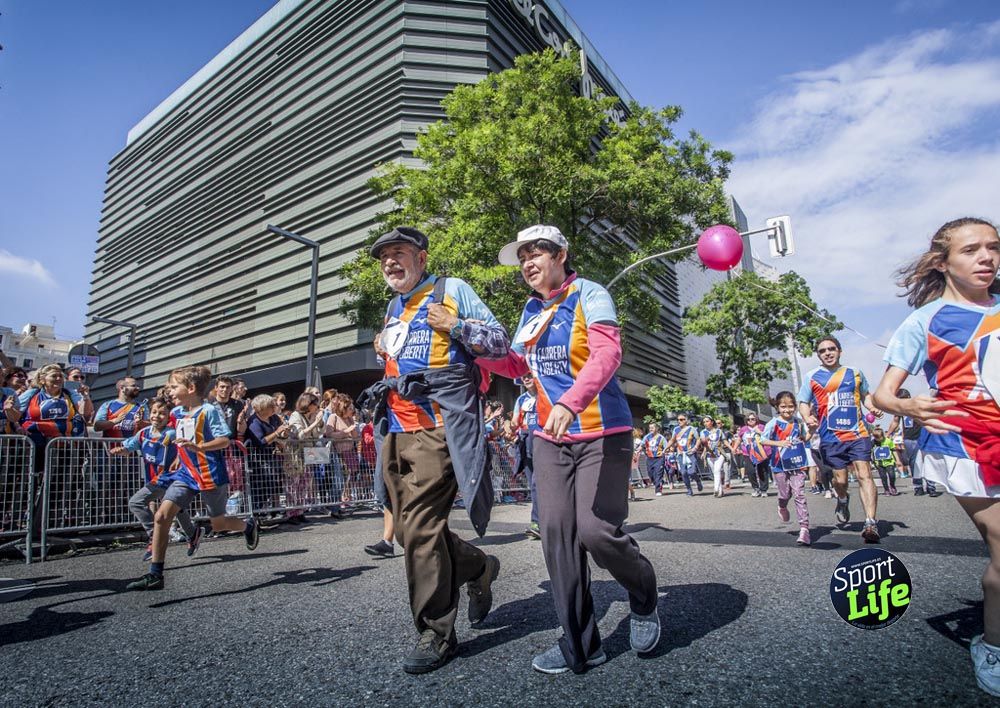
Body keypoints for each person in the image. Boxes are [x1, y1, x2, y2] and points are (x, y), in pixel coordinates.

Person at [479, 224, 659, 674]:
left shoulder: (590, 294)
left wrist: (569, 401)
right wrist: (471, 346)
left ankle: (643, 594)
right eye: (522, 257)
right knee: (556, 534)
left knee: (596, 531)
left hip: (603, 431)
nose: (527, 263)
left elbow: (606, 355)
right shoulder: (531, 310)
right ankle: (581, 646)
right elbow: (516, 363)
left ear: (560, 254)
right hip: (549, 436)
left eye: (535, 252)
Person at [361, 226, 505, 674]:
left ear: (422, 258)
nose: (389, 262)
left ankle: (436, 631)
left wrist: (458, 325)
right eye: (383, 257)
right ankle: (478, 567)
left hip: (439, 429)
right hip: (396, 431)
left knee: (420, 530)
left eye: (399, 253)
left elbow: (501, 344)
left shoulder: (452, 289)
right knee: (407, 533)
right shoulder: (393, 306)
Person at [872, 217, 1000, 697]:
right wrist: (907, 405)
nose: (986, 257)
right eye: (970, 250)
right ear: (943, 263)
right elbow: (883, 395)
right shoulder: (924, 321)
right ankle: (992, 644)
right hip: (965, 443)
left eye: (993, 247)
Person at [126, 365, 259, 591]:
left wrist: (198, 447)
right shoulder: (177, 413)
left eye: (174, 386)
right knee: (161, 515)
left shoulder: (209, 411)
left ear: (190, 388)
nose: (170, 390)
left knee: (218, 524)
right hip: (186, 474)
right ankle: (155, 574)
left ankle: (247, 527)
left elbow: (224, 440)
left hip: (210, 473)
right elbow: (177, 438)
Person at [798, 336, 883, 543]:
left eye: (831, 349)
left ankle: (871, 522)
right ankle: (843, 499)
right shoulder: (812, 376)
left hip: (858, 433)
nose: (827, 353)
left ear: (840, 351)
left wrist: (872, 407)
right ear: (818, 355)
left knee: (865, 475)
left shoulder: (854, 373)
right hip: (830, 437)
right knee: (841, 480)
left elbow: (866, 396)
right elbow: (803, 401)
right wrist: (807, 416)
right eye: (822, 350)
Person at [112, 397, 201, 560]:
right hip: (153, 478)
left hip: (167, 478)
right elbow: (129, 447)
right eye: (154, 412)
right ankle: (193, 533)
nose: (157, 416)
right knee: (178, 508)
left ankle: (155, 537)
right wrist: (121, 450)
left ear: (168, 418)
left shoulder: (171, 433)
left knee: (135, 502)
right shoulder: (143, 434)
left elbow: (187, 446)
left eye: (162, 414)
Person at [760, 391, 812, 545]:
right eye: (783, 407)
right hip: (779, 465)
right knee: (785, 494)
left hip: (797, 463)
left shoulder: (798, 422)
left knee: (799, 494)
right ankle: (782, 505)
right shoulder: (774, 423)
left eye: (790, 407)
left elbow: (804, 438)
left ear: (795, 407)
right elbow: (763, 440)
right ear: (777, 407)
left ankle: (804, 529)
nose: (787, 410)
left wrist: (813, 430)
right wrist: (779, 443)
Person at [244, 394, 291, 519]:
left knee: (273, 483)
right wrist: (276, 433)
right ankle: (256, 515)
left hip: (272, 456)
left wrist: (284, 433)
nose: (273, 408)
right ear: (262, 408)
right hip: (258, 459)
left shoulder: (274, 418)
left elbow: (280, 434)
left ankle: (268, 511)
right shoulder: (254, 421)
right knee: (261, 486)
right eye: (271, 406)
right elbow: (260, 442)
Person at [886, 389, 938, 496]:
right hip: (909, 439)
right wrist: (888, 435)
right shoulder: (900, 409)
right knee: (914, 463)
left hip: (923, 436)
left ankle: (931, 486)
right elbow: (895, 422)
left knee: (927, 461)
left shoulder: (917, 404)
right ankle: (918, 486)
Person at [512, 372, 541, 538]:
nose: (526, 378)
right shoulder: (521, 399)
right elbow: (515, 421)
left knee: (539, 485)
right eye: (523, 376)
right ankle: (538, 522)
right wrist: (512, 426)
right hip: (526, 444)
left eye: (529, 375)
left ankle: (539, 521)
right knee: (534, 485)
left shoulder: (545, 395)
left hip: (544, 442)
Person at [668, 414, 702, 496]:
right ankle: (689, 490)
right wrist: (666, 448)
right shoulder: (676, 430)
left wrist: (695, 448)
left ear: (686, 420)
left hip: (690, 454)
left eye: (682, 419)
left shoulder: (692, 429)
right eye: (678, 419)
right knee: (683, 473)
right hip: (680, 454)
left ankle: (698, 481)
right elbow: (672, 440)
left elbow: (698, 439)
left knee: (692, 472)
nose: (679, 421)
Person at [737, 413, 769, 497]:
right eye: (748, 419)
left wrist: (760, 432)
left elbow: (768, 437)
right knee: (750, 471)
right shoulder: (743, 429)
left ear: (756, 419)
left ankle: (764, 489)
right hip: (747, 453)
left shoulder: (761, 427)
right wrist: (734, 448)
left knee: (762, 471)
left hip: (760, 452)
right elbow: (739, 439)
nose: (750, 421)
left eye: (752, 419)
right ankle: (756, 488)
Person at [697, 416, 728, 498]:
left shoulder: (719, 431)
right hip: (709, 454)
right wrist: (704, 452)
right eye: (704, 422)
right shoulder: (703, 432)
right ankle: (720, 491)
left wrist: (732, 448)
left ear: (712, 422)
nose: (705, 423)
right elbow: (704, 443)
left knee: (717, 470)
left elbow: (724, 440)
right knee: (715, 472)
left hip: (719, 453)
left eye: (707, 421)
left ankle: (716, 489)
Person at [641, 422, 669, 496]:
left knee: (658, 474)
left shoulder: (661, 438)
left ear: (656, 428)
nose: (651, 429)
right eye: (650, 428)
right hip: (649, 458)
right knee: (651, 475)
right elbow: (642, 445)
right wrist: (638, 450)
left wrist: (664, 451)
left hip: (659, 458)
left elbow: (666, 446)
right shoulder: (646, 437)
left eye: (652, 428)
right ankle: (659, 482)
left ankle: (658, 490)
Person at [871, 427, 900, 496]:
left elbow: (894, 450)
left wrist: (897, 460)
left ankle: (892, 486)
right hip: (879, 463)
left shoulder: (888, 441)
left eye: (879, 438)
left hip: (889, 461)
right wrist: (871, 461)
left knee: (892, 475)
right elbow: (870, 452)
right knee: (883, 476)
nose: (878, 440)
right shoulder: (873, 443)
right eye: (876, 438)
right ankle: (886, 489)